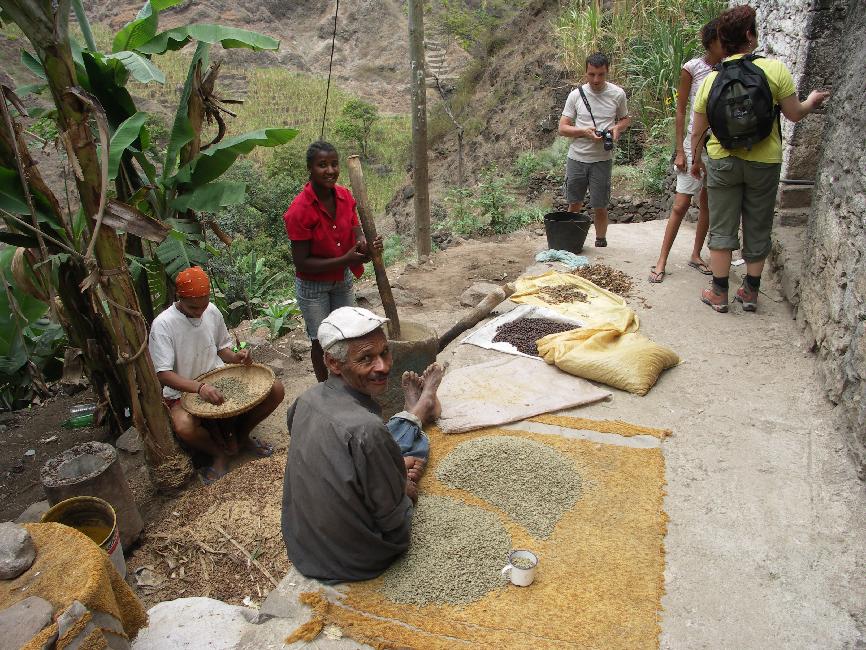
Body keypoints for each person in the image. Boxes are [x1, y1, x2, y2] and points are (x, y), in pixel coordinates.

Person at [281, 306, 443, 582]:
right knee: (409, 449)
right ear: (333, 363)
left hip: (302, 546)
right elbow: (391, 521)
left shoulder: (305, 400)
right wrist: (404, 487)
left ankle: (415, 412)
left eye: (384, 352)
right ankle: (420, 409)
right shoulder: (367, 430)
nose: (383, 366)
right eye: (366, 358)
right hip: (359, 558)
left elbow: (327, 456)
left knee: (383, 443)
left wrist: (386, 469)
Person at [690, 5, 829, 312]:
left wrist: (696, 161)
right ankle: (750, 291)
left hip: (723, 160)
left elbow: (698, 131)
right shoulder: (776, 70)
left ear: (723, 40)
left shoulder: (711, 81)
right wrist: (812, 101)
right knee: (758, 222)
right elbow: (794, 113)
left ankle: (719, 292)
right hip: (764, 160)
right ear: (750, 36)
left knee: (723, 225)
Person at [148, 266, 285, 484]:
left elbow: (222, 350)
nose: (199, 312)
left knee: (276, 389)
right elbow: (163, 374)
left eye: (203, 305)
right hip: (183, 390)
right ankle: (219, 452)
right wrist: (199, 388)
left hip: (218, 377)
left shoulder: (211, 311)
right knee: (183, 425)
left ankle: (240, 439)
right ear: (178, 297)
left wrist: (238, 357)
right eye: (193, 307)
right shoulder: (163, 325)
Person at [283, 141, 382, 382]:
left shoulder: (345, 196)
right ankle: (325, 388)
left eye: (334, 164)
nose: (330, 170)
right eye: (322, 165)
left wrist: (363, 244)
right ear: (310, 168)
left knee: (347, 334)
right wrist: (345, 259)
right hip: (313, 287)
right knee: (322, 340)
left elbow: (355, 228)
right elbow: (302, 264)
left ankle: (347, 382)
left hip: (341, 280)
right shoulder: (299, 210)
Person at [649, 19, 724, 283]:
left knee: (707, 204)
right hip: (694, 144)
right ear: (711, 42)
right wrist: (680, 150)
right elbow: (681, 110)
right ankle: (661, 260)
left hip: (719, 146)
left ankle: (696, 254)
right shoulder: (692, 69)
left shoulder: (729, 68)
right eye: (721, 40)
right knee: (681, 205)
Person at [558, 52, 631, 248]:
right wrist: (584, 131)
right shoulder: (575, 95)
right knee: (574, 203)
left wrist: (616, 128)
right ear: (585, 72)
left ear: (607, 72)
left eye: (601, 74)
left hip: (602, 158)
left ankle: (601, 241)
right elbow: (562, 128)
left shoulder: (617, 94)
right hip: (577, 157)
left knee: (600, 204)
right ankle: (569, 241)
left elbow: (625, 119)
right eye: (591, 75)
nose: (596, 79)